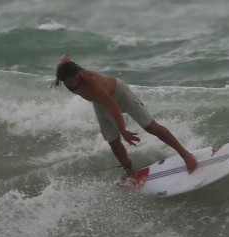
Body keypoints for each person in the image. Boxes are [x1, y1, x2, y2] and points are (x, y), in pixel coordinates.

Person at [54, 54, 197, 177]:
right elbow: (65, 58)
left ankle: (185, 154)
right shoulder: (62, 73)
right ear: (62, 79)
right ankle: (130, 172)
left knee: (150, 127)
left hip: (119, 94)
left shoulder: (90, 80)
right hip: (100, 102)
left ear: (78, 73)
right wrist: (65, 58)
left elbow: (112, 104)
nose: (74, 82)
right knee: (112, 141)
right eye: (70, 81)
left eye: (75, 78)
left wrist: (123, 129)